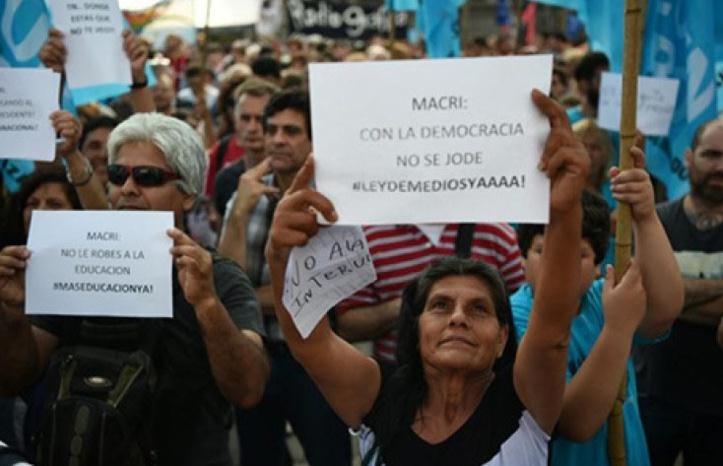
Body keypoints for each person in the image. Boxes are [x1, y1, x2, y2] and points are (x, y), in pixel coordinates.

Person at [263, 89, 591, 465]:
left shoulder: (525, 403)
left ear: (503, 339)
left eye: (479, 309)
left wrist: (565, 212)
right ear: (414, 328)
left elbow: (551, 329)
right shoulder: (377, 397)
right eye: (440, 305)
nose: (458, 317)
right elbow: (311, 343)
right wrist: (282, 256)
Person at [0, 112, 269, 465]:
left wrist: (206, 304)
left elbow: (248, 389)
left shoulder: (218, 277)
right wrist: (12, 315)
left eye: (148, 177)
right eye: (117, 175)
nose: (127, 188)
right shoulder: (73, 261)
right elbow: (15, 378)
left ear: (188, 195)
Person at [218, 88, 352, 466]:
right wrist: (240, 214)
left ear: (313, 141)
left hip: (312, 361)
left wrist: (252, 298)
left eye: (291, 131)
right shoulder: (246, 194)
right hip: (256, 356)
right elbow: (228, 286)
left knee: (330, 456)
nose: (277, 139)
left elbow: (313, 296)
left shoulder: (331, 204)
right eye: (272, 128)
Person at [512, 171, 683, 465]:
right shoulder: (516, 316)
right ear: (522, 259)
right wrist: (617, 329)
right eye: (543, 250)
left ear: (597, 267)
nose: (559, 261)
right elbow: (574, 422)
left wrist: (645, 216)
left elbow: (662, 313)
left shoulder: (600, 298)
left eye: (578, 254)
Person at [636, 119, 723, 466]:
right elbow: (640, 296)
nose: (720, 166)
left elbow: (659, 300)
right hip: (654, 394)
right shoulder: (653, 222)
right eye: (711, 154)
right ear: (688, 158)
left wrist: (669, 297)